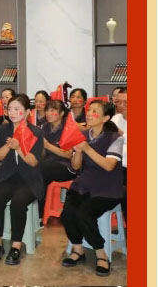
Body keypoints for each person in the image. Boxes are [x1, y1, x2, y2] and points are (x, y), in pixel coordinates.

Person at [61, 99, 124, 277]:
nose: (89, 114)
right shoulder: (82, 135)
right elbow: (75, 166)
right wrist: (78, 151)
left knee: (84, 213)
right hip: (85, 184)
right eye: (89, 110)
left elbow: (109, 166)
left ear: (105, 118)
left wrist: (87, 148)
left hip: (108, 188)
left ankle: (101, 254)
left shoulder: (116, 138)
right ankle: (78, 249)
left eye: (95, 111)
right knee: (67, 213)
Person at [0, 94, 44, 266]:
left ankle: (16, 245)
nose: (12, 112)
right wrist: (8, 146)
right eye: (10, 109)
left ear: (27, 112)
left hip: (29, 178)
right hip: (7, 176)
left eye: (17, 109)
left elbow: (33, 161)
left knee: (18, 203)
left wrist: (19, 147)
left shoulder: (36, 132)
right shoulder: (4, 130)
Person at [37, 99, 76, 218]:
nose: (49, 114)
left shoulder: (68, 128)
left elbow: (68, 154)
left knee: (42, 169)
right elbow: (43, 153)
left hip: (66, 166)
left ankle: (39, 212)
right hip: (48, 164)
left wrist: (48, 146)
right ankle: (35, 209)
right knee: (33, 167)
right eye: (47, 110)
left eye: (53, 111)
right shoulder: (44, 127)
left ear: (61, 113)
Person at [111, 88, 127, 217]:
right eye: (118, 102)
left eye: (126, 102)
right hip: (116, 166)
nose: (121, 105)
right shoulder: (115, 119)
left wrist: (122, 135)